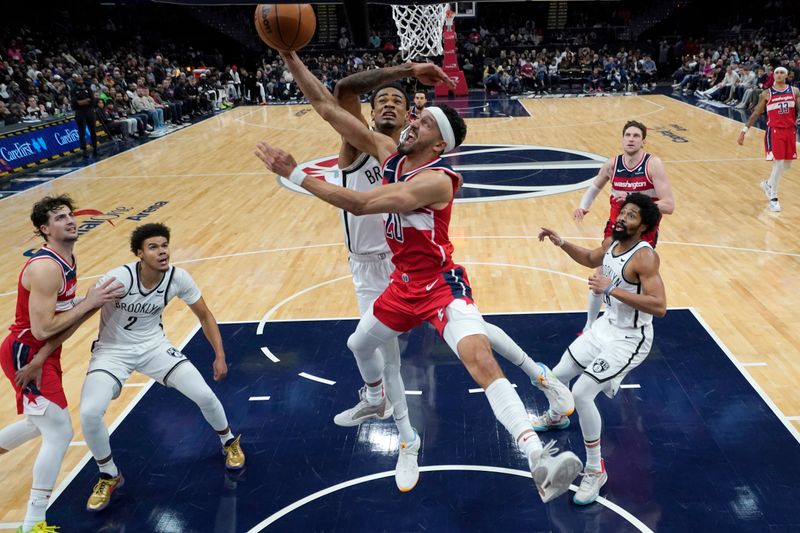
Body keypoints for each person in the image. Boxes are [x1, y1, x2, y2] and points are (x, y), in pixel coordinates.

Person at [256, 51, 582, 502]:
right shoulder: (388, 152)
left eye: (423, 122)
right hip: (400, 285)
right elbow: (330, 107)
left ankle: (537, 456)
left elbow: (362, 204)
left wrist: (294, 173)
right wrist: (288, 55)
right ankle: (379, 399)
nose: (412, 123)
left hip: (440, 287)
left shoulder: (439, 180)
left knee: (479, 356)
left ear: (438, 144)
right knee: (358, 343)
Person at [79, 223, 245, 512]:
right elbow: (82, 311)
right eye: (153, 247)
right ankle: (109, 474)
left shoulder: (178, 278)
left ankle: (229, 441)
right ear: (139, 254)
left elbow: (205, 316)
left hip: (154, 347)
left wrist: (219, 354)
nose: (162, 251)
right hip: (112, 352)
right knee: (90, 413)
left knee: (204, 394)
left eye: (164, 245)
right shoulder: (118, 278)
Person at [0, 195, 123, 533]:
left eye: (70, 215)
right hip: (25, 351)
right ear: (44, 229)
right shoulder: (46, 267)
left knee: (39, 422)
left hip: (39, 353)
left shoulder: (67, 258)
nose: (70, 220)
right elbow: (41, 328)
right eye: (59, 218)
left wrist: (87, 304)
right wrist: (89, 302)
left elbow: (66, 320)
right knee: (59, 431)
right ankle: (33, 523)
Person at [535, 193, 667, 505]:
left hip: (630, 339)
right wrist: (562, 242)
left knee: (581, 394)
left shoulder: (645, 257)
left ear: (643, 225)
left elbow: (659, 306)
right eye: (624, 212)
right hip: (605, 327)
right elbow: (592, 258)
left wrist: (611, 289)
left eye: (632, 215)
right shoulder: (612, 241)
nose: (623, 218)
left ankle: (595, 470)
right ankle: (557, 416)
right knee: (556, 378)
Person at [573, 120, 674, 333]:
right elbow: (594, 187)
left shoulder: (652, 164)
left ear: (643, 141)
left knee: (632, 278)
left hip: (642, 231)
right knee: (601, 271)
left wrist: (633, 199)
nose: (631, 139)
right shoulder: (612, 164)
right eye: (628, 135)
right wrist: (583, 207)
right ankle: (590, 325)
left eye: (636, 136)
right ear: (622, 138)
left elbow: (669, 205)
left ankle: (637, 321)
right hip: (615, 228)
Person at [737, 66, 798, 212]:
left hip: (790, 131)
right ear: (773, 75)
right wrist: (744, 131)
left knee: (787, 166)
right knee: (779, 163)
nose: (779, 74)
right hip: (775, 131)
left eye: (782, 72)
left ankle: (768, 184)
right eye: (776, 72)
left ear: (787, 75)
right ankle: (774, 198)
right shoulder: (766, 93)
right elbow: (756, 114)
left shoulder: (794, 91)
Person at [70, 75, 98, 157]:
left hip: (89, 112)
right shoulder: (73, 90)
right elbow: (75, 103)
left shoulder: (88, 89)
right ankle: (84, 151)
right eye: (78, 79)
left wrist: (81, 102)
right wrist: (86, 100)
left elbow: (92, 101)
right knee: (82, 132)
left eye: (81, 79)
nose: (80, 81)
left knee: (93, 131)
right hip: (79, 113)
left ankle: (95, 149)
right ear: (76, 81)